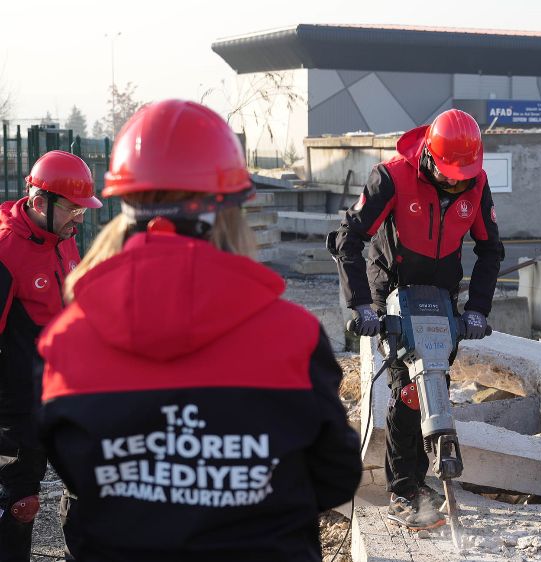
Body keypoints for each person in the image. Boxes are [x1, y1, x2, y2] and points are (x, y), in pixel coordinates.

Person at [36, 99, 361, 562]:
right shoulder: (293, 336)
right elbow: (336, 478)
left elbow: (74, 470)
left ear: (121, 201)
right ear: (226, 208)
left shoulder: (68, 341)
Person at [330, 108, 503, 530]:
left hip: (442, 295)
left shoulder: (476, 185)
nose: (456, 182)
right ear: (429, 155)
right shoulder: (391, 177)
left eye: (464, 176)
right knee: (408, 389)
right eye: (449, 174)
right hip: (392, 288)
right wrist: (361, 307)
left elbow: (490, 250)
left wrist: (477, 309)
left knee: (437, 383)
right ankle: (403, 490)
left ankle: (421, 479)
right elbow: (348, 240)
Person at [0, 150, 101, 562]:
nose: (80, 219)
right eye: (73, 209)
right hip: (18, 410)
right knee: (19, 508)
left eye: (83, 209)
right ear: (41, 203)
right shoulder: (5, 250)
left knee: (92, 491)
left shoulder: (65, 241)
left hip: (68, 399)